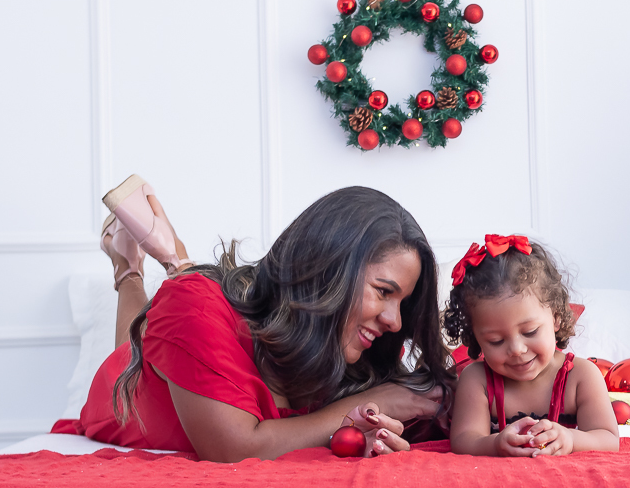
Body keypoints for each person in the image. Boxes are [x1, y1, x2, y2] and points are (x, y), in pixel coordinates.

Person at [52, 175, 453, 461]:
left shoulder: (340, 344)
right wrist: (370, 403)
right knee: (140, 339)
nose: (395, 322)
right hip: (126, 394)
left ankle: (178, 260)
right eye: (384, 291)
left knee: (190, 304)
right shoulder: (193, 309)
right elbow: (234, 448)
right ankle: (129, 269)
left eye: (401, 302)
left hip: (221, 330)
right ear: (328, 268)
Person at [444, 234, 619, 457]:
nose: (517, 349)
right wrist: (495, 443)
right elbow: (464, 440)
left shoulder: (581, 377)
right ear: (475, 337)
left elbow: (608, 438)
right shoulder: (477, 380)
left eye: (530, 332)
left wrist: (570, 438)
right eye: (496, 341)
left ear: (556, 317)